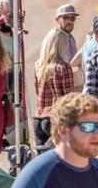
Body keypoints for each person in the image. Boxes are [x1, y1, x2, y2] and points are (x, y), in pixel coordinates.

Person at [32, 11, 78, 145]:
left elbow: (37, 91)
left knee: (43, 161)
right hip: (55, 118)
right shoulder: (63, 67)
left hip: (38, 118)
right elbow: (69, 99)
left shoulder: (38, 65)